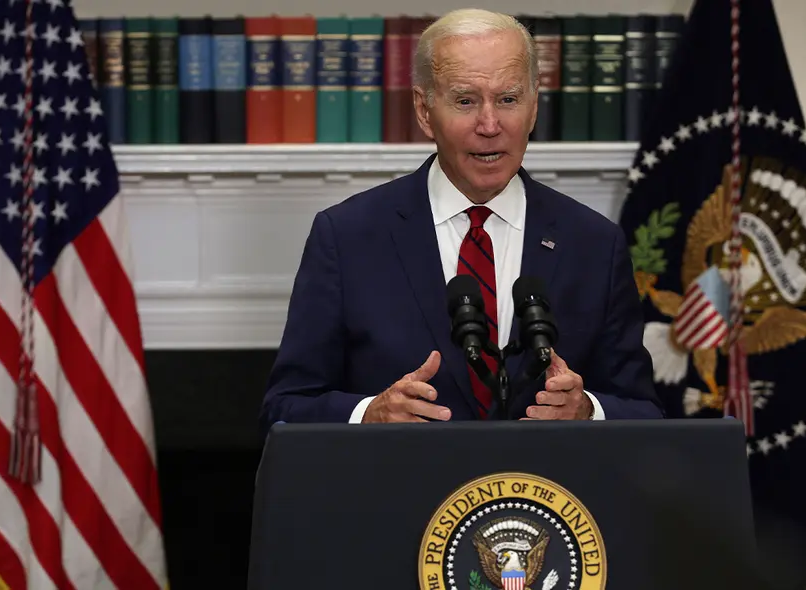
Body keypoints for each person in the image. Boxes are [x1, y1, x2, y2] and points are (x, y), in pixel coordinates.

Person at [260, 8, 662, 429]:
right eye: (465, 101)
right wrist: (368, 415)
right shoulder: (347, 238)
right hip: (404, 490)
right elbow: (284, 409)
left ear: (534, 106)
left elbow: (644, 411)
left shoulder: (594, 243)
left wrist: (588, 410)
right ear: (424, 109)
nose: (489, 125)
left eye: (508, 99)